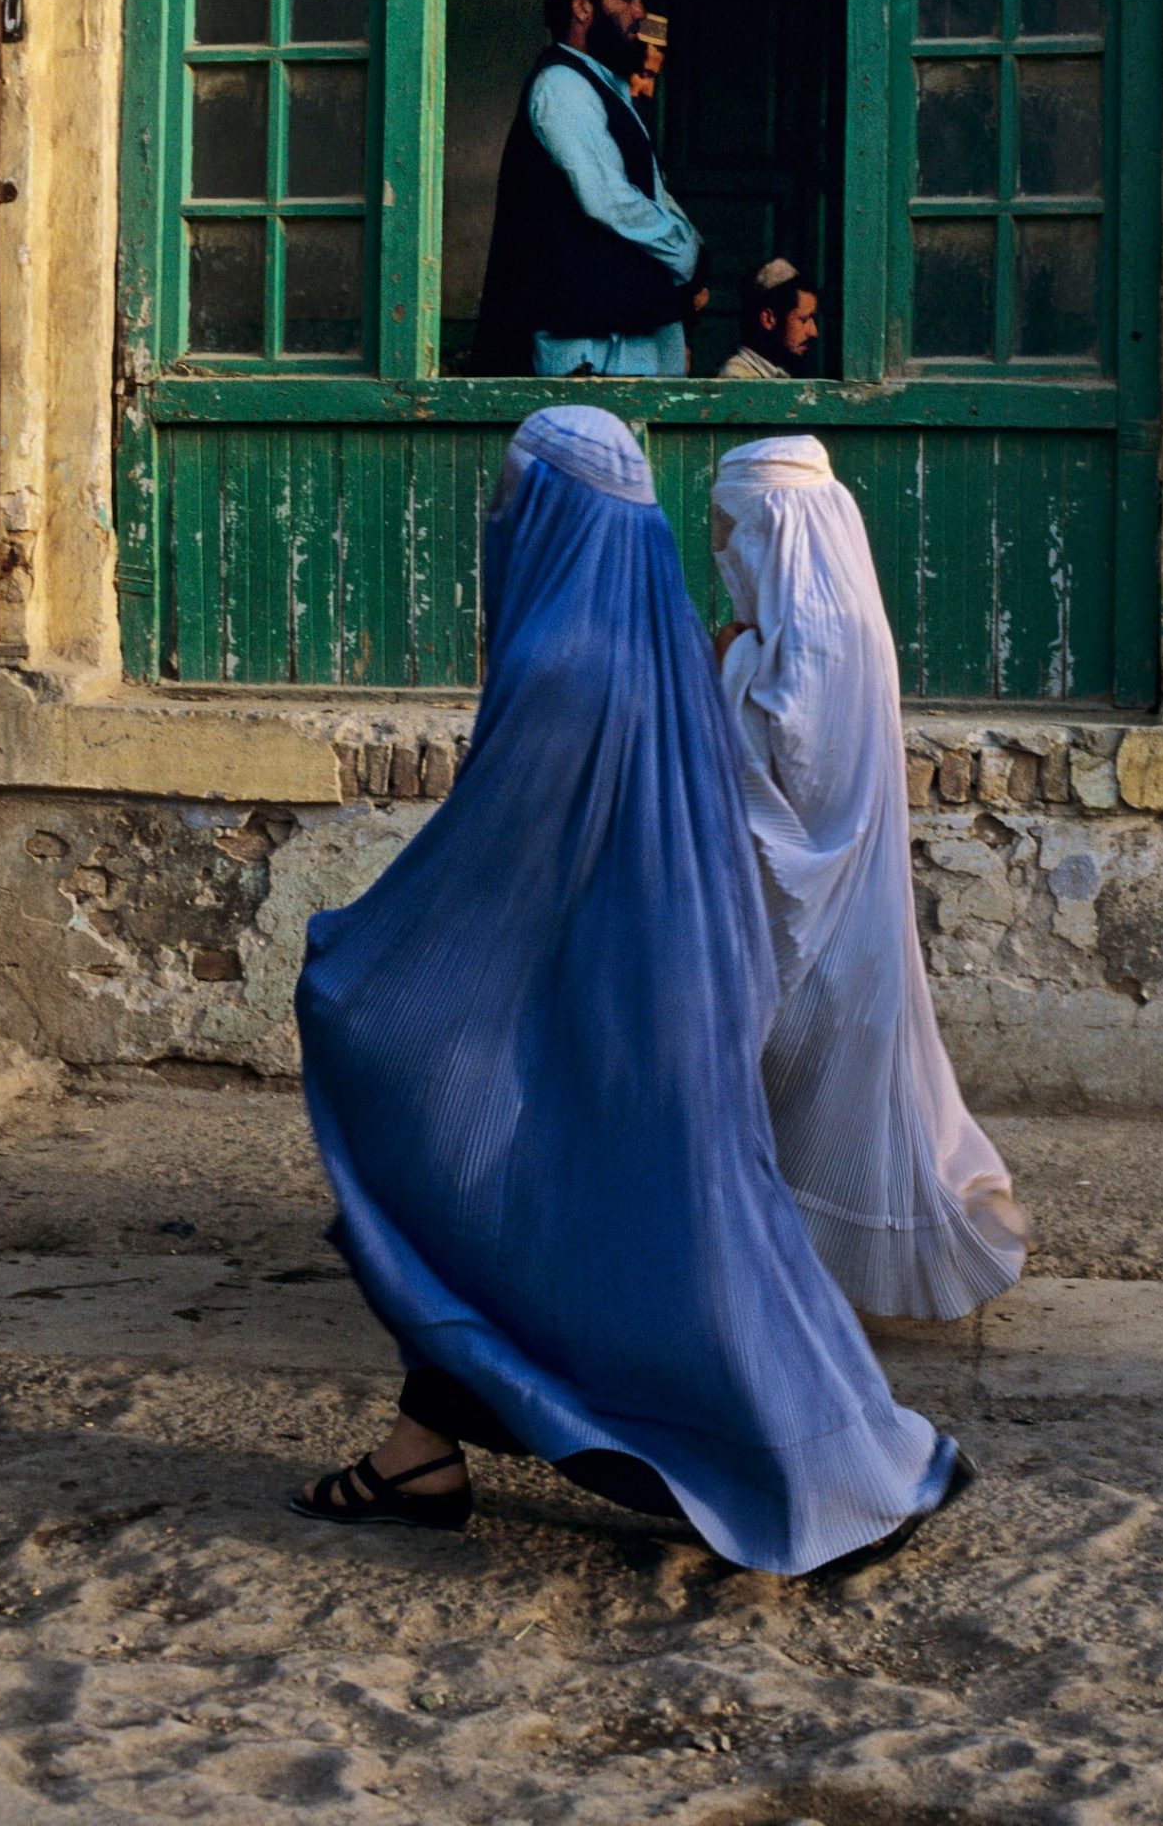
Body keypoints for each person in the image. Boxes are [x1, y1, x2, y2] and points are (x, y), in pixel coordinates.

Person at [289, 405, 972, 1573]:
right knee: (528, 1221)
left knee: (619, 1244)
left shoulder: (565, 663)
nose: (502, 520)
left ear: (547, 516)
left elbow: (487, 876)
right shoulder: (662, 638)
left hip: (607, 1021)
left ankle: (832, 1475)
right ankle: (422, 1447)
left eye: (514, 498)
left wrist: (356, 963)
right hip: (676, 1000)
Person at [711, 435, 1030, 1321]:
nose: (721, 549)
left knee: (820, 1082)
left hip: (820, 900)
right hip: (823, 897)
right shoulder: (811, 625)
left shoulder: (821, 633)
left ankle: (816, 1276)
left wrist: (725, 667)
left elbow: (798, 770)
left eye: (730, 530)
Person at [472, 0, 707, 377]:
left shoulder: (607, 86)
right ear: (582, 8)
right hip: (588, 345)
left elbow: (651, 191)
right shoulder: (562, 86)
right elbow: (608, 199)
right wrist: (684, 253)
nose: (640, 12)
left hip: (627, 327)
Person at [717, 259, 819, 381]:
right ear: (768, 319)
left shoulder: (783, 371)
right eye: (803, 320)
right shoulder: (737, 377)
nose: (813, 332)